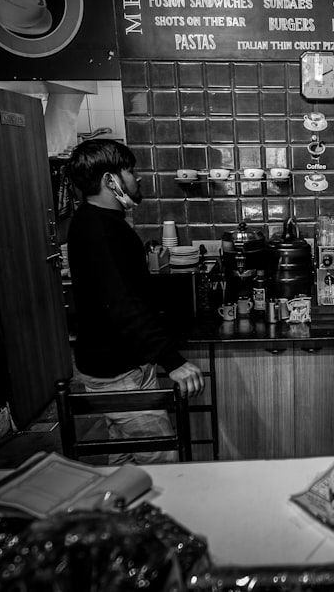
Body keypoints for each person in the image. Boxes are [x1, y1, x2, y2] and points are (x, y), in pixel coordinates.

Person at [66, 138, 206, 464]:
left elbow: (127, 292)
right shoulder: (100, 230)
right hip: (118, 374)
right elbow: (121, 304)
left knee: (125, 461)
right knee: (163, 465)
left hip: (121, 367)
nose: (138, 177)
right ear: (109, 180)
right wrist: (173, 361)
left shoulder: (100, 222)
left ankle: (122, 515)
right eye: (130, 170)